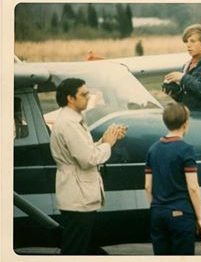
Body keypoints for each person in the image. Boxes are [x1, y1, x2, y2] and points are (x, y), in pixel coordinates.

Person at [50, 78, 127, 255]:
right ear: (70, 98)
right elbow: (87, 158)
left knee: (80, 247)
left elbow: (83, 151)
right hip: (78, 197)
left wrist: (107, 139)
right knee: (75, 249)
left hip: (77, 195)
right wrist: (107, 144)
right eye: (84, 94)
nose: (88, 97)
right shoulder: (69, 124)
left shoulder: (72, 120)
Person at [144, 103, 201, 255]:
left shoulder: (153, 149)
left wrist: (156, 207)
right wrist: (200, 220)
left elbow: (148, 186)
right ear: (186, 123)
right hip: (180, 214)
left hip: (157, 214)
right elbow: (193, 188)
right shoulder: (186, 149)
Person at [163, 24, 201, 114]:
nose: (188, 45)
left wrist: (183, 78)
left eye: (192, 41)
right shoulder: (186, 65)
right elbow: (187, 99)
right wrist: (174, 91)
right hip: (188, 117)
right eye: (186, 41)